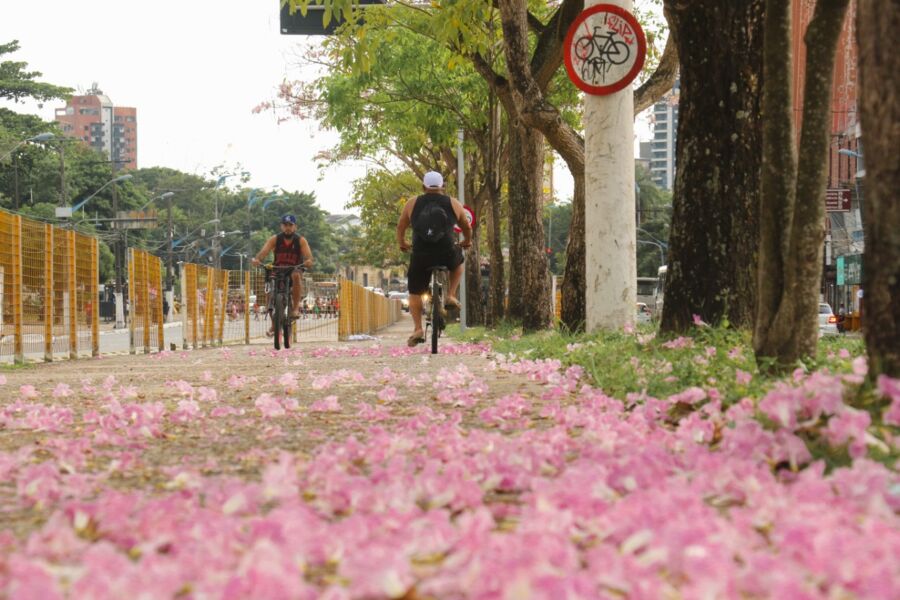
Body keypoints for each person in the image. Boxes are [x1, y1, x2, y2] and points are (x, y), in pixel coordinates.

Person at [396, 171, 472, 347]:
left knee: (414, 292)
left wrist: (403, 243)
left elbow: (401, 227)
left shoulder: (412, 203)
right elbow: (466, 227)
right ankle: (451, 296)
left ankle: (417, 329)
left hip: (421, 254)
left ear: (423, 187)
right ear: (442, 187)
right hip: (446, 252)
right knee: (459, 262)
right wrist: (466, 242)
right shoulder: (453, 203)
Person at [251, 215, 314, 332]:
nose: (288, 228)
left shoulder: (300, 240)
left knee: (296, 275)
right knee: (268, 289)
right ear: (281, 226)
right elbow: (263, 252)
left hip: (294, 268)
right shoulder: (275, 239)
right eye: (285, 225)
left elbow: (309, 257)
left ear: (295, 227)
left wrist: (309, 261)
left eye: (291, 225)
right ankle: (274, 323)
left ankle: (295, 308)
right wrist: (257, 260)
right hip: (278, 269)